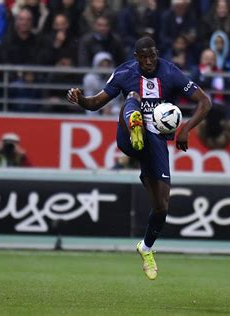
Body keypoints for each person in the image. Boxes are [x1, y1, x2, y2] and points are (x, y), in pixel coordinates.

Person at [67, 36, 212, 280]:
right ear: (136, 57)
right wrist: (80, 98)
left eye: (152, 56)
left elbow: (205, 102)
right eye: (143, 57)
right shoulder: (124, 72)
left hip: (156, 142)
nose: (148, 62)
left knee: (161, 206)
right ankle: (136, 125)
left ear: (157, 54)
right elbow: (95, 103)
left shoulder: (170, 72)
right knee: (132, 98)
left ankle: (145, 248)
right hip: (128, 135)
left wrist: (185, 129)